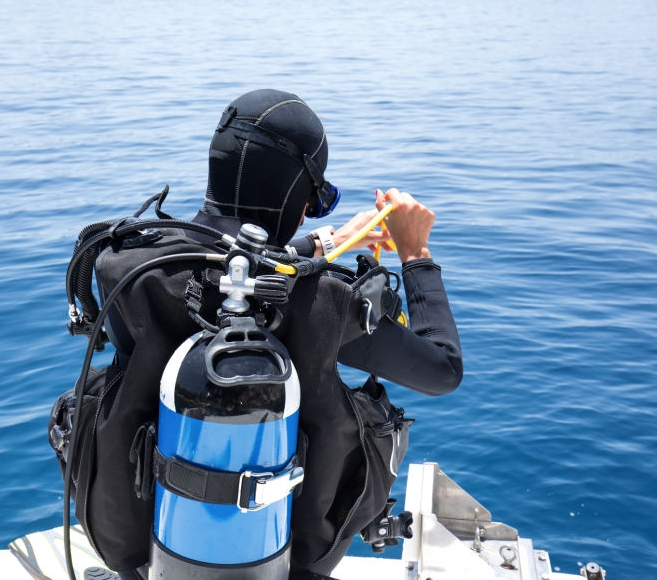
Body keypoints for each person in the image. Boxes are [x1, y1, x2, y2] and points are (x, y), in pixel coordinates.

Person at [68, 89, 462, 579]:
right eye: (314, 201)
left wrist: (322, 243)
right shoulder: (324, 302)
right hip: (283, 564)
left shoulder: (128, 267)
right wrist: (417, 256)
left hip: (144, 553)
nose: (309, 213)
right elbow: (443, 370)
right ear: (294, 195)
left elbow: (214, 268)